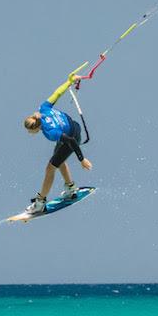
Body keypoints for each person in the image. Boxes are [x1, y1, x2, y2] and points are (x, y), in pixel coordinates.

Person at [23, 73, 93, 213]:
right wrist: (69, 81)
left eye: (30, 131)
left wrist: (82, 159)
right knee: (58, 159)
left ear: (36, 128)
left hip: (72, 135)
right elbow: (58, 92)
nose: (29, 134)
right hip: (72, 126)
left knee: (50, 168)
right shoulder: (43, 108)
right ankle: (70, 188)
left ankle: (40, 202)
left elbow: (71, 141)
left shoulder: (50, 132)